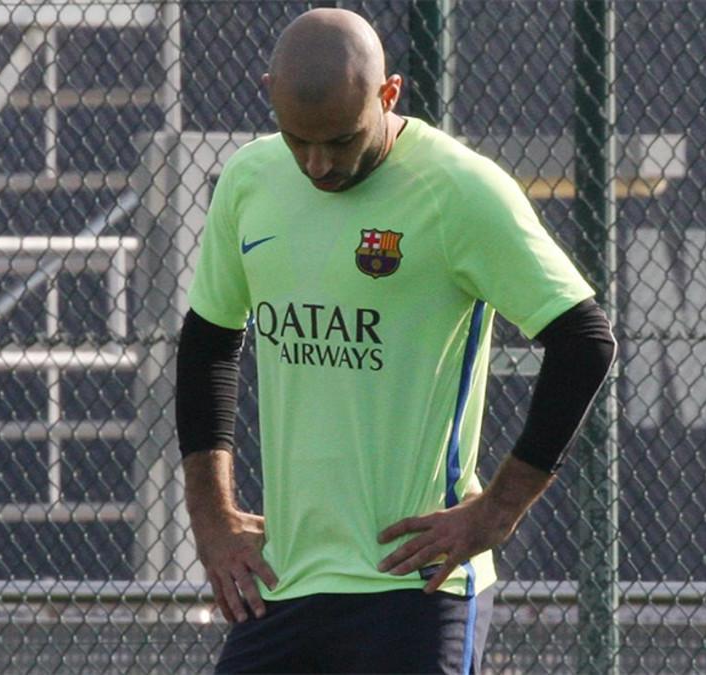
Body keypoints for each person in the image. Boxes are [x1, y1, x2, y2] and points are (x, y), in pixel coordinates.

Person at [174, 8, 617, 674]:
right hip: (285, 585)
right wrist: (212, 518)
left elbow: (585, 340)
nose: (319, 164)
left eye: (341, 141)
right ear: (270, 92)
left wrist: (496, 512)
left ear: (390, 94)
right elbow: (209, 342)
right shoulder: (248, 181)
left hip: (416, 586)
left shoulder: (460, 190)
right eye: (299, 141)